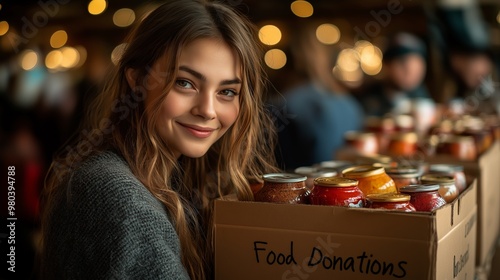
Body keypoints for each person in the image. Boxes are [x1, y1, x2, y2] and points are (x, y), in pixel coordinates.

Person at [39, 1, 278, 279]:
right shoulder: (115, 193)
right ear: (138, 79)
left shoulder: (182, 182)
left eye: (226, 91)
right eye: (185, 83)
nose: (208, 110)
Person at [270, 22, 364, 170]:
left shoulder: (288, 101)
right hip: (348, 179)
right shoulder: (348, 101)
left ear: (295, 57)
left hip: (305, 180)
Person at [355, 32, 431, 117]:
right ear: (386, 65)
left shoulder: (422, 96)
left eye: (418, 65)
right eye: (402, 63)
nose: (410, 72)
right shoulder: (369, 101)